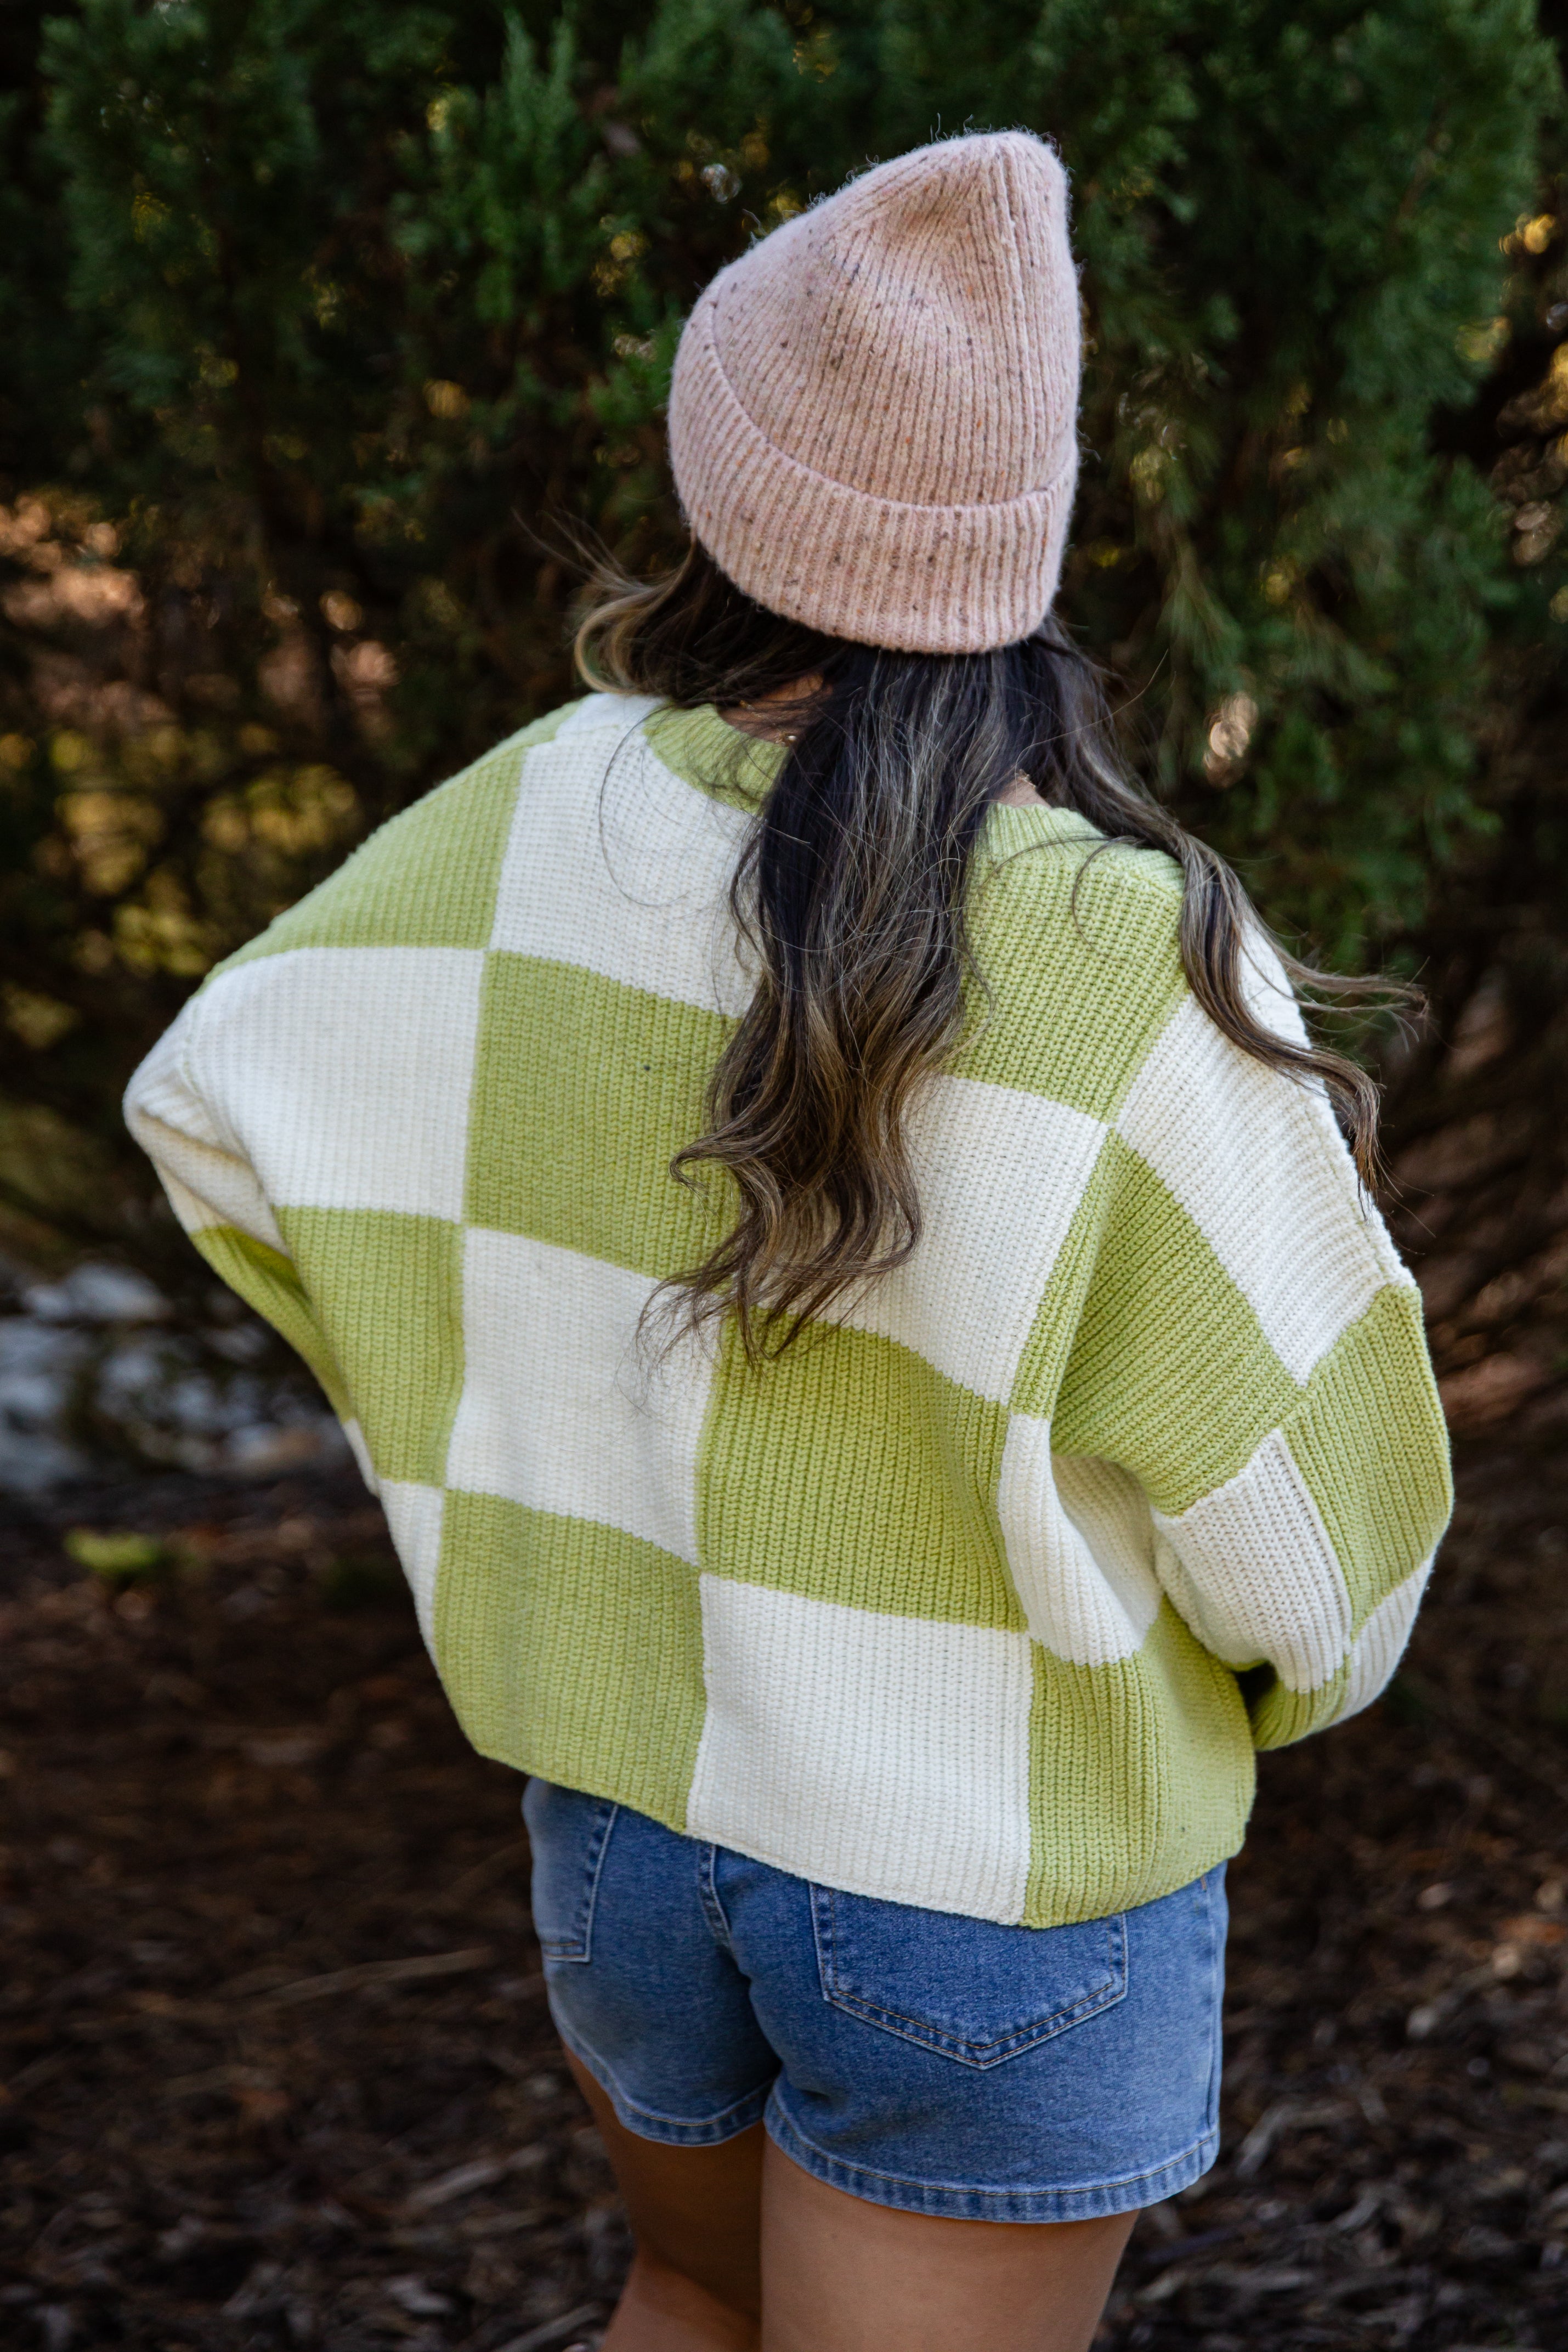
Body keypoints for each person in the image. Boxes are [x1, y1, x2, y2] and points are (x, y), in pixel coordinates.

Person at [126, 132, 1451, 2352]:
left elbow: (219, 1104)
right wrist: (1265, 1691)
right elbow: (1320, 1546)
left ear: (714, 487)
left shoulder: (526, 818)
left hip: (624, 1819)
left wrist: (474, 1413)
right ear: (1023, 530)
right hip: (994, 1871)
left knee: (682, 2300)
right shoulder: (1122, 959)